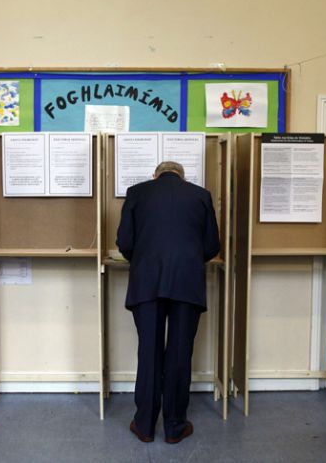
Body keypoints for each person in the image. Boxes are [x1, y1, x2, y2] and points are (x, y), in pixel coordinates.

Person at [116, 161, 220, 444]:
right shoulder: (201, 195)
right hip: (186, 281)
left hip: (147, 282)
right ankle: (175, 426)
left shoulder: (136, 192)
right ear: (182, 177)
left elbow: (125, 242)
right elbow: (212, 246)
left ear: (155, 175)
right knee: (179, 352)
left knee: (149, 351)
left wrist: (144, 259)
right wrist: (188, 260)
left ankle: (144, 425)